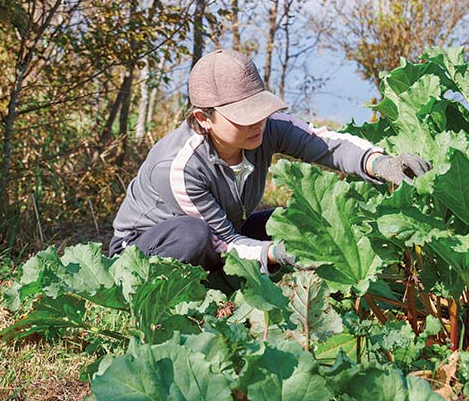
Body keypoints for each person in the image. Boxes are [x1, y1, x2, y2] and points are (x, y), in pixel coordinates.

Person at [109, 49, 430, 288]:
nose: (258, 122)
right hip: (142, 252)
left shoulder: (264, 129)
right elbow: (222, 243)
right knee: (194, 235)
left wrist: (381, 162)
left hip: (220, 235)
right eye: (243, 116)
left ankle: (227, 284)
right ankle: (165, 297)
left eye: (260, 110)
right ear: (203, 118)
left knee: (286, 222)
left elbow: (325, 144)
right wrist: (280, 253)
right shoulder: (178, 168)